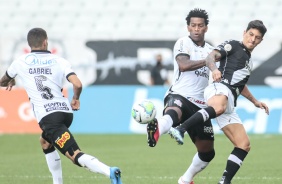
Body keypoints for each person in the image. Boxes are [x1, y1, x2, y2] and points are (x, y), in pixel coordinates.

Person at [0, 28, 122, 184]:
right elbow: (77, 84)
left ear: (30, 44)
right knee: (45, 142)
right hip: (65, 112)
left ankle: (110, 171)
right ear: (45, 41)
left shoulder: (20, 62)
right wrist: (76, 98)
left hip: (49, 117)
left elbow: (3, 81)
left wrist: (12, 80)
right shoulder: (60, 61)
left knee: (75, 155)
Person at [169, 20, 269, 184]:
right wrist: (214, 70)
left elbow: (240, 85)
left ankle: (224, 181)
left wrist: (254, 101)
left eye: (257, 37)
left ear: (260, 41)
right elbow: (210, 57)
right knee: (218, 107)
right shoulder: (233, 45)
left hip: (229, 99)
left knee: (243, 144)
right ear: (244, 32)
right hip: (219, 89)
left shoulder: (249, 60)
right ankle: (181, 128)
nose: (252, 39)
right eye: (251, 34)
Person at [146, 8, 215, 184]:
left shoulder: (211, 49)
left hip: (200, 104)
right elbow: (183, 65)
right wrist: (208, 61)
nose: (196, 29)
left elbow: (217, 72)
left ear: (206, 28)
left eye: (200, 26)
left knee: (207, 152)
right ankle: (157, 131)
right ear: (188, 27)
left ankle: (185, 180)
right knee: (173, 111)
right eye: (193, 25)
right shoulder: (183, 43)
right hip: (180, 93)